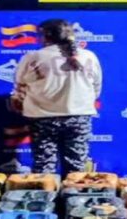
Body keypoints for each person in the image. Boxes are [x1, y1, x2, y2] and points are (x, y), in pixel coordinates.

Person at [10, 19, 102, 175]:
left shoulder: (33, 57)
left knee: (44, 166)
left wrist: (19, 102)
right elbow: (96, 89)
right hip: (79, 117)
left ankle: (44, 191)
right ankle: (74, 191)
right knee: (76, 167)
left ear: (45, 36)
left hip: (42, 118)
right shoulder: (89, 56)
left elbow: (20, 88)